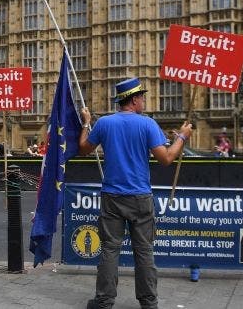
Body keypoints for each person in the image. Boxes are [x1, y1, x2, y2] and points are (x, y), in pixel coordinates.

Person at [79, 77, 193, 309]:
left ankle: (104, 301)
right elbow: (167, 159)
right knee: (144, 251)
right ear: (133, 100)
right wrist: (182, 137)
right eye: (142, 97)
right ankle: (149, 303)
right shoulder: (148, 124)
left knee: (110, 250)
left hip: (112, 196)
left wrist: (86, 123)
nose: (144, 101)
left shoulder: (104, 123)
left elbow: (83, 149)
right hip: (140, 197)